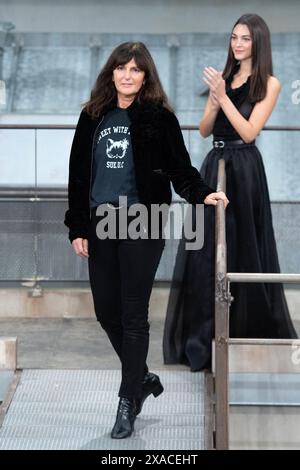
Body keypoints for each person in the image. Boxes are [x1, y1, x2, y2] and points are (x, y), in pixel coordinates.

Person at [64, 41, 228, 439]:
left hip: (143, 220)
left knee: (133, 314)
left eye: (136, 70)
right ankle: (142, 376)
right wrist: (78, 227)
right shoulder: (93, 116)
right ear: (111, 72)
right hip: (102, 223)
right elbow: (78, 177)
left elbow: (179, 167)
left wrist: (202, 192)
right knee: (107, 313)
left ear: (145, 76)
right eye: (121, 68)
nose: (127, 75)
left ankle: (127, 403)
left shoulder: (158, 118)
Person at [163, 14, 297, 372]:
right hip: (215, 164)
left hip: (245, 168)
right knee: (205, 250)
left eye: (245, 39)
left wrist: (223, 98)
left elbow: (250, 131)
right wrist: (214, 99)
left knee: (244, 246)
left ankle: (242, 334)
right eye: (234, 37)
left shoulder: (269, 83)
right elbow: (206, 130)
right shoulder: (225, 79)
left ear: (259, 43)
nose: (237, 44)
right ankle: (202, 339)